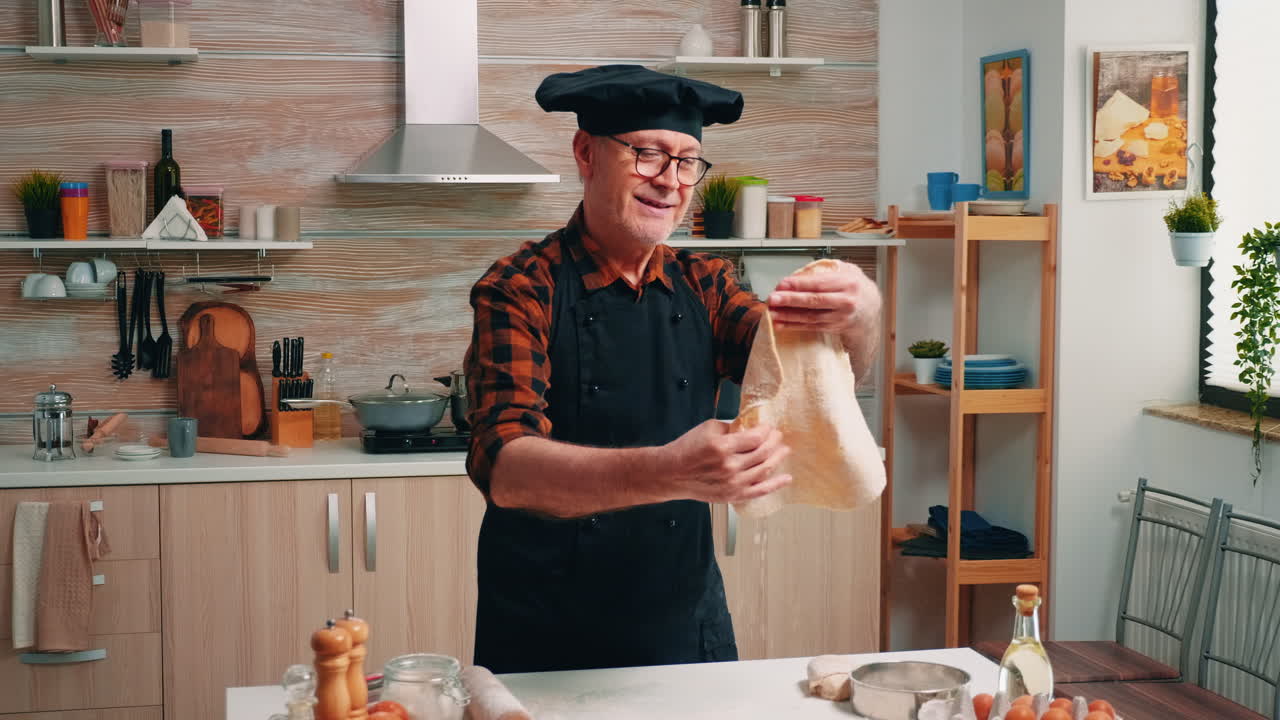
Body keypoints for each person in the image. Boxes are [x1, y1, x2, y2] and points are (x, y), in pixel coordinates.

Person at [463, 64, 882, 674]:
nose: (671, 181)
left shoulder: (705, 284)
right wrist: (671, 470)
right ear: (586, 153)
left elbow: (823, 378)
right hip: (546, 633)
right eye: (648, 155)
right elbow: (505, 468)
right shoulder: (520, 287)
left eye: (687, 161)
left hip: (685, 626)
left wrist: (861, 313)